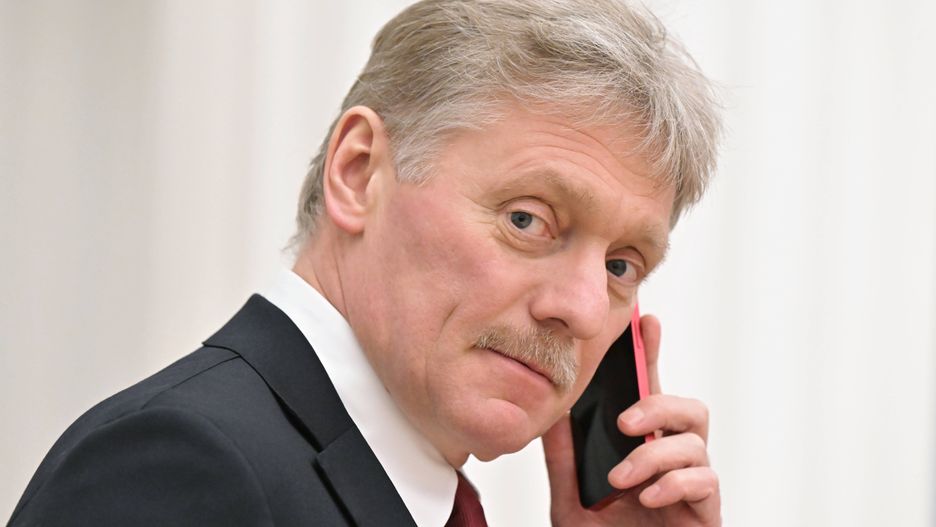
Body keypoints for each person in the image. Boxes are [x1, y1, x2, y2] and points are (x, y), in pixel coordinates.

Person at [8, 0, 722, 525]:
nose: (584, 309)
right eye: (527, 219)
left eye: (622, 266)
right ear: (357, 173)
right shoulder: (183, 468)